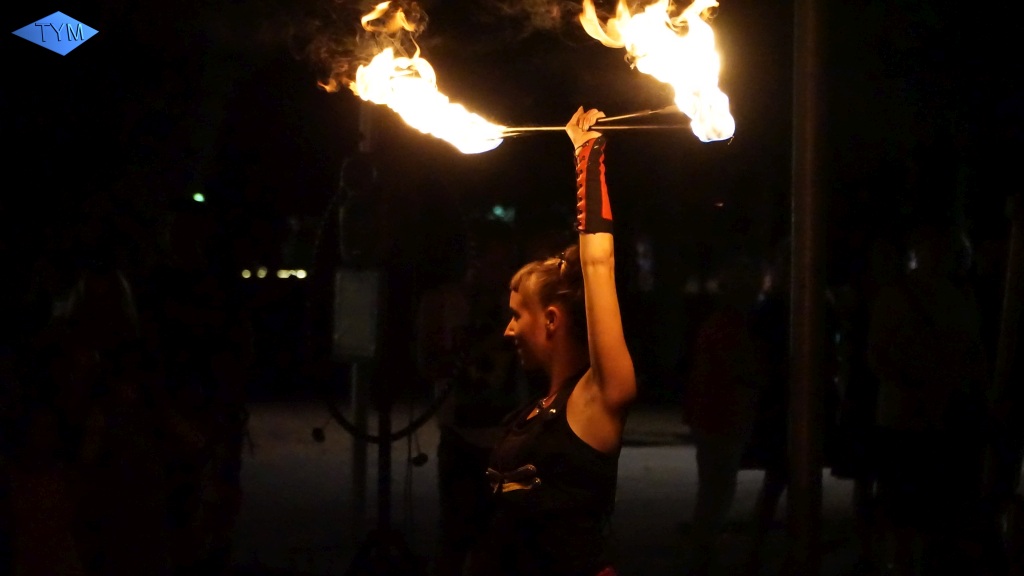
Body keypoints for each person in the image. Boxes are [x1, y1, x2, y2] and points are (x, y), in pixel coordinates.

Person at [466, 107, 637, 576]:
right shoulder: (529, 413)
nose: (507, 329)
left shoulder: (598, 400)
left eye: (517, 315)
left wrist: (588, 155)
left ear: (553, 320)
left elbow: (598, 264)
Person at [682, 256, 768, 575]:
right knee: (716, 489)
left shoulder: (717, 324)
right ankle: (702, 552)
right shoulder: (730, 327)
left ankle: (703, 550)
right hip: (722, 416)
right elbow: (741, 369)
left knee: (714, 487)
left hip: (713, 415)